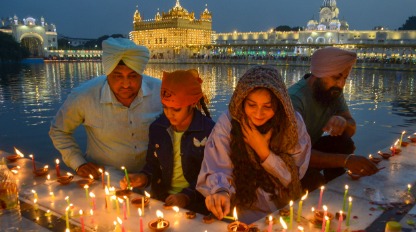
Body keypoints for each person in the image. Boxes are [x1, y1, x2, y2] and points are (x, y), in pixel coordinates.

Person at [196, 65, 311, 224]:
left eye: (267, 106)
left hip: (280, 209)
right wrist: (221, 191)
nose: (258, 114)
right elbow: (217, 164)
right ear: (242, 101)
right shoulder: (230, 122)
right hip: (241, 208)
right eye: (251, 105)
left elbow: (293, 177)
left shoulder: (292, 124)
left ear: (279, 104)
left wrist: (264, 153)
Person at [49, 37, 162, 178]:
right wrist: (79, 163)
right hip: (105, 180)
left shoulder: (160, 91)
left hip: (153, 177)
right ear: (107, 74)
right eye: (118, 76)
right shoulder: (85, 96)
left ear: (141, 74)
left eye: (133, 76)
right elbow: (59, 130)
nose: (126, 84)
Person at [119, 69, 215, 214]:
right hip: (162, 200)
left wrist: (186, 196)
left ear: (193, 104)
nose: (169, 114)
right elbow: (153, 166)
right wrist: (142, 178)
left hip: (198, 205)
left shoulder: (210, 131)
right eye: (165, 108)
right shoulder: (158, 128)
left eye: (176, 109)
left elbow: (212, 174)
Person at [288, 47, 379, 191]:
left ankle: (336, 183)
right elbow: (297, 155)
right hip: (289, 159)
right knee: (314, 181)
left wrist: (343, 123)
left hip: (308, 149)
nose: (341, 84)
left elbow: (351, 127)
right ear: (319, 74)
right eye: (337, 77)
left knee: (344, 142)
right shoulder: (294, 100)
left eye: (345, 78)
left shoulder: (332, 91)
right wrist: (346, 161)